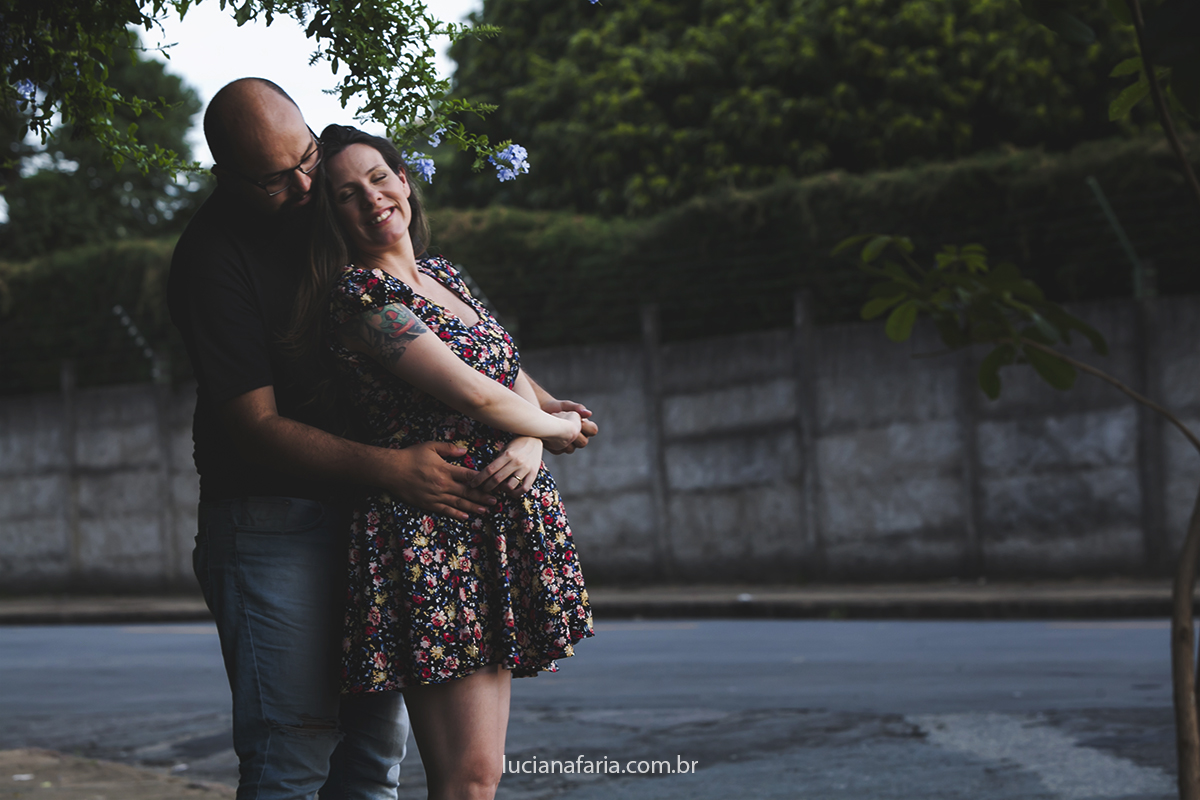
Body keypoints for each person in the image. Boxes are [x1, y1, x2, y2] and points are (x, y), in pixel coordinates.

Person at [167, 79, 597, 800]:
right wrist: (397, 469)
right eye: (277, 179)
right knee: (294, 753)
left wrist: (531, 433)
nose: (305, 185)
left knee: (373, 759)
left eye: (308, 160)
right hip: (276, 514)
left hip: (374, 517)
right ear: (228, 178)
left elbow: (469, 351)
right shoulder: (213, 260)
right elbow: (255, 426)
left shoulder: (329, 211)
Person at [292, 124, 595, 800]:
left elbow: (508, 374)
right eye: (346, 194)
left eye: (378, 178)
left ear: (404, 181)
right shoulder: (361, 299)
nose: (371, 199)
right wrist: (551, 426)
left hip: (489, 529)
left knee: (481, 774)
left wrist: (533, 438)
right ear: (333, 215)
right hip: (434, 534)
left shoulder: (444, 275)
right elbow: (465, 388)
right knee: (467, 777)